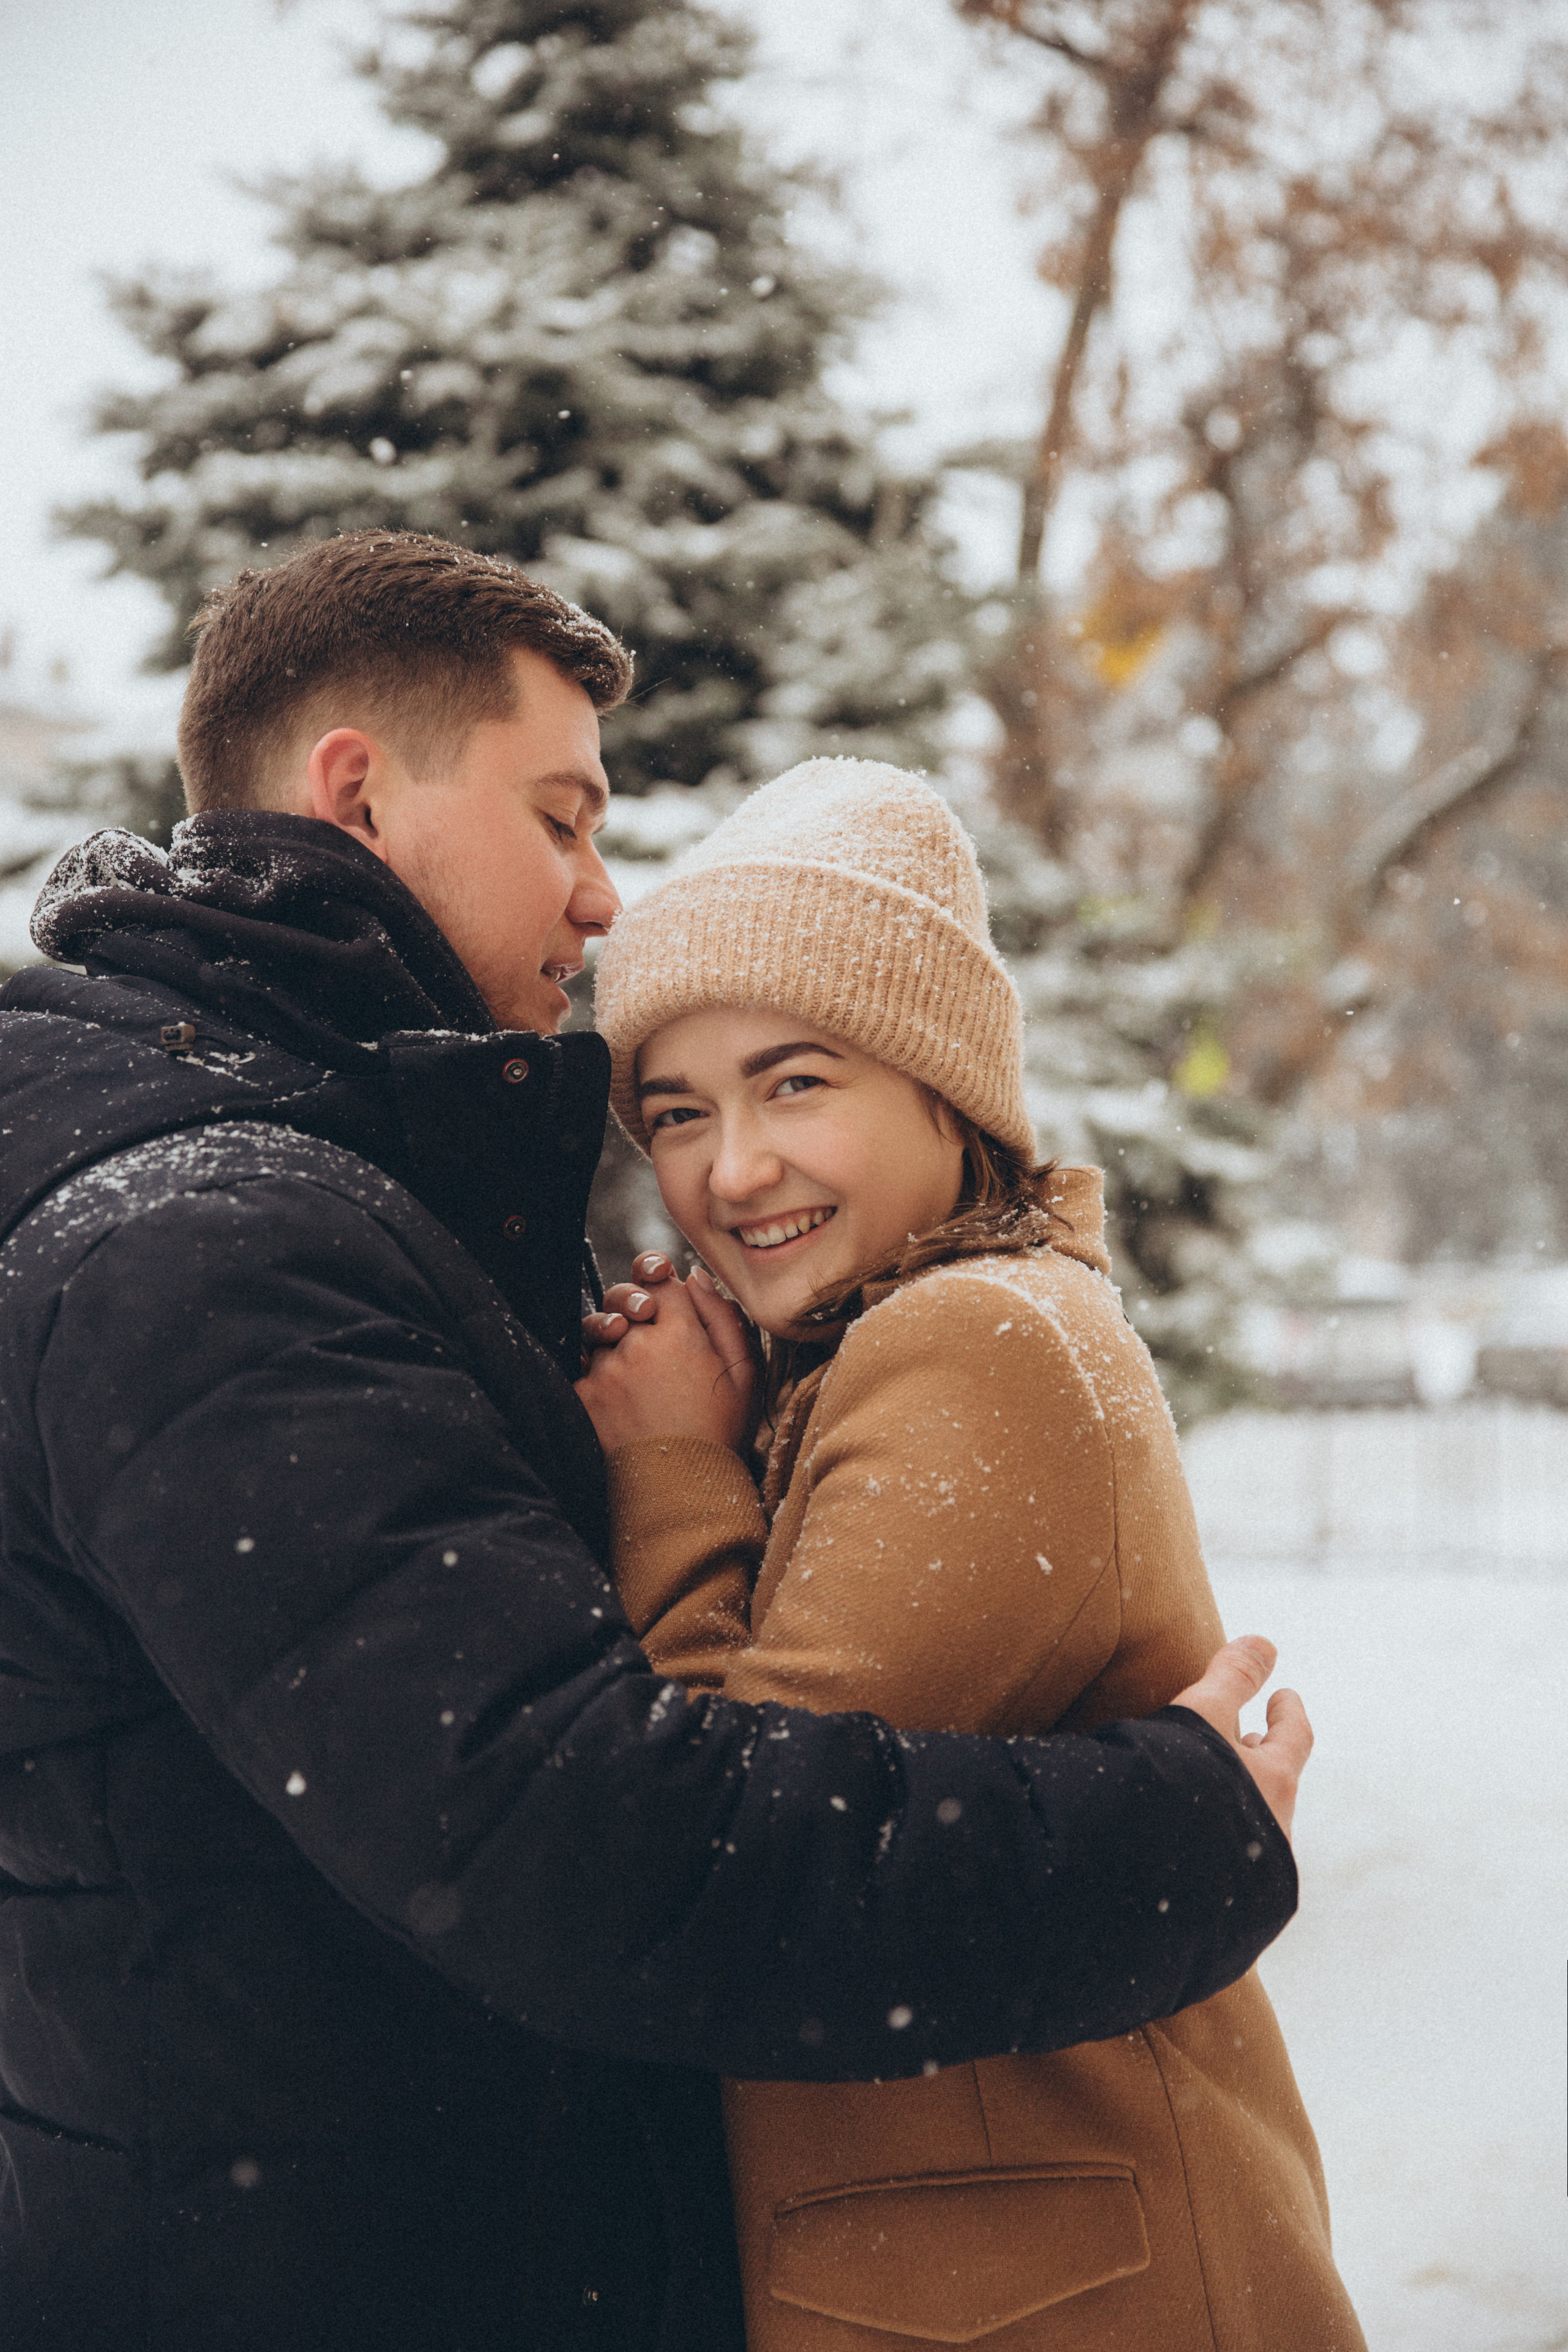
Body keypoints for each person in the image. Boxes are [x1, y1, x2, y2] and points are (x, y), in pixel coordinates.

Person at [0, 532, 1305, 2352]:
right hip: (342, 2269)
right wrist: (1178, 1826)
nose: (599, 895)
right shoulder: (218, 1237)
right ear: (357, 793)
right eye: (562, 818)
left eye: (799, 1081)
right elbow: (615, 1851)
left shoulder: (307, 1185)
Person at [581, 758, 1364, 2351]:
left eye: (797, 1085)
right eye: (679, 1112)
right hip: (974, 2271)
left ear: (945, 1091)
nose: (732, 1170)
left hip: (1061, 2291)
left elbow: (738, 1839)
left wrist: (667, 1467)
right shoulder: (862, 1354)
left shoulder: (983, 1342)